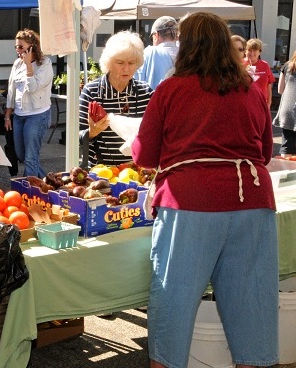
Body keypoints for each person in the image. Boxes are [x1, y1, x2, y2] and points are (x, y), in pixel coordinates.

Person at [132, 12, 277, 368]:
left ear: (186, 46)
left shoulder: (171, 89)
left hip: (190, 206)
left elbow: (144, 154)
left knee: (173, 306)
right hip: (253, 205)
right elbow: (265, 152)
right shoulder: (251, 90)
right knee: (252, 313)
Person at [79, 31, 153, 167]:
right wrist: (91, 133)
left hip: (137, 169)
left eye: (131, 63)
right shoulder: (92, 91)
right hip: (101, 170)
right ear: (109, 63)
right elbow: (76, 136)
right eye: (120, 63)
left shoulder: (146, 92)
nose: (126, 68)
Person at [3, 29, 53, 178]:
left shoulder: (45, 64)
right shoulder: (17, 64)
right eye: (16, 47)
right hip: (19, 115)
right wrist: (7, 115)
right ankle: (47, 182)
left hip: (37, 115)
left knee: (31, 157)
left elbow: (33, 88)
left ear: (32, 47)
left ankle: (28, 192)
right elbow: (11, 91)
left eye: (21, 47)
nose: (17, 50)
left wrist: (29, 66)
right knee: (22, 155)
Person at [134, 16, 178, 89]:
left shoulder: (150, 52)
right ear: (176, 36)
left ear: (156, 35)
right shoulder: (186, 54)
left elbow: (136, 79)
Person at [273, 50, 296, 156]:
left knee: (287, 146)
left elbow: (280, 90)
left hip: (287, 111)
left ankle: (286, 170)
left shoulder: (287, 66)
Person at [245, 38, 276, 108]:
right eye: (249, 50)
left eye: (255, 50)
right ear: (245, 51)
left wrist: (268, 103)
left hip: (261, 104)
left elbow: (269, 85)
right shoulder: (239, 64)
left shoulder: (265, 65)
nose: (252, 53)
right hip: (244, 104)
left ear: (259, 52)